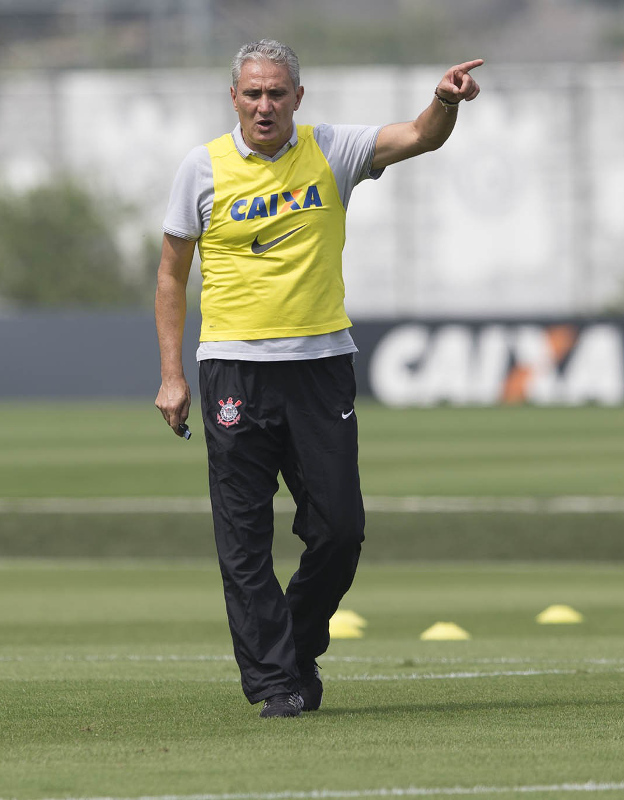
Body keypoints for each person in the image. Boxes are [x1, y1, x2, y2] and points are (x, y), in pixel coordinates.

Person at [154, 40, 482, 718]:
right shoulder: (202, 167)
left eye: (277, 93)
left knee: (340, 530)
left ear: (298, 99)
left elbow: (420, 136)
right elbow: (170, 274)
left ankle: (297, 643)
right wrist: (170, 375)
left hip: (321, 368)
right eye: (253, 94)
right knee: (243, 540)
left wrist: (443, 102)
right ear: (235, 99)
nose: (265, 105)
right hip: (234, 370)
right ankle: (278, 685)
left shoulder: (333, 149)